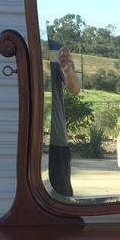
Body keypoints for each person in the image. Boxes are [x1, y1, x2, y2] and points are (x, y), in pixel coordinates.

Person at [47, 39, 82, 196]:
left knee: (61, 198)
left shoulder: (55, 49)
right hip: (24, 139)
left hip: (55, 139)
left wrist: (67, 70)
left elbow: (75, 89)